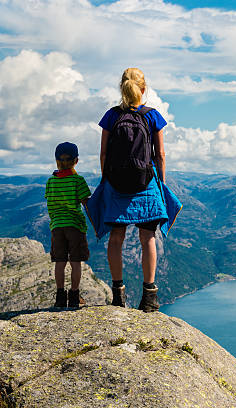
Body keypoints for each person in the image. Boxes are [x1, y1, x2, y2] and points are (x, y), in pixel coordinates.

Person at [95, 67, 171, 312]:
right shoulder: (152, 116)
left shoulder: (111, 116)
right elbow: (159, 154)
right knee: (147, 237)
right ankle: (149, 296)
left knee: (116, 237)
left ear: (122, 87)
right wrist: (161, 183)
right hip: (145, 182)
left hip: (116, 183)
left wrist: (107, 179)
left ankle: (118, 294)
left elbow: (104, 153)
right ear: (143, 89)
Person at [45, 142, 91, 308]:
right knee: (75, 262)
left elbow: (49, 203)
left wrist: (55, 220)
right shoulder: (78, 180)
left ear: (56, 160)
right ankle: (74, 295)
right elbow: (87, 203)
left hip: (56, 226)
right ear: (76, 160)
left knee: (60, 261)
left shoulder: (51, 181)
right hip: (75, 226)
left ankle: (59, 296)